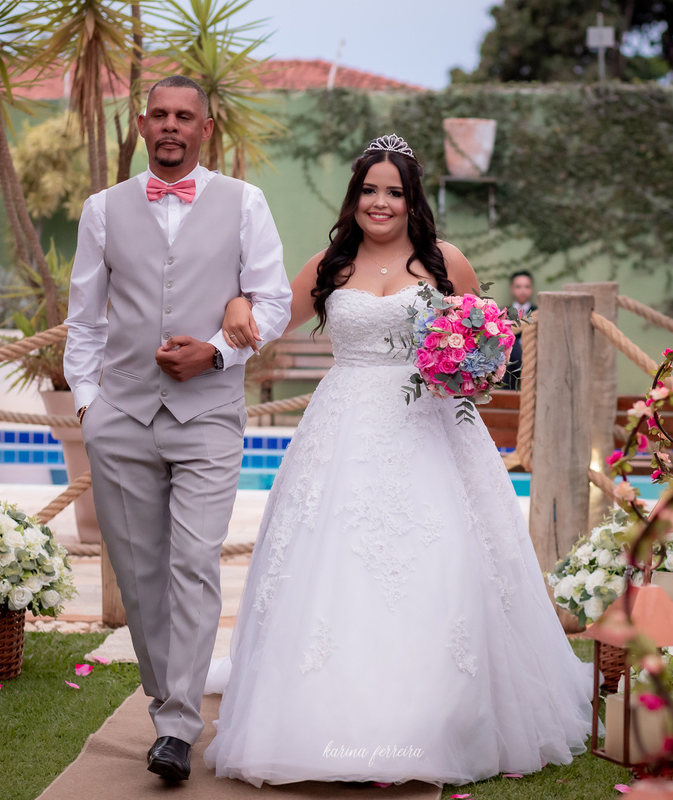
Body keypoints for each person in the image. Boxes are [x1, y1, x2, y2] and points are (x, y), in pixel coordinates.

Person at [202, 135, 594, 787]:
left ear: (412, 200)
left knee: (443, 557)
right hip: (342, 429)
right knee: (334, 560)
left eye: (393, 191)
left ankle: (435, 715)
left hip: (432, 429)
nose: (379, 202)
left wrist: (472, 368)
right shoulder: (330, 263)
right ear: (354, 197)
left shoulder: (445, 262)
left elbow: (490, 343)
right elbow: (265, 324)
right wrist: (237, 303)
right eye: (369, 190)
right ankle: (326, 713)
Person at [63, 76, 293, 782]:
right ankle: (170, 704)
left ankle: (176, 726)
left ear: (205, 128)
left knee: (193, 562)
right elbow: (84, 320)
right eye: (159, 115)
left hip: (209, 417)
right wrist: (89, 406)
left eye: (184, 116)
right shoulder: (102, 210)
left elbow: (274, 303)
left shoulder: (244, 202)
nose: (170, 125)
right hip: (122, 417)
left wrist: (217, 353)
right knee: (139, 576)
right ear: (141, 125)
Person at [504, 270, 535, 391]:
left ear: (532, 289)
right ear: (511, 289)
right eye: (518, 287)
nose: (523, 291)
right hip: (509, 366)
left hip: (532, 360)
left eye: (527, 287)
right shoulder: (503, 313)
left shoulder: (538, 312)